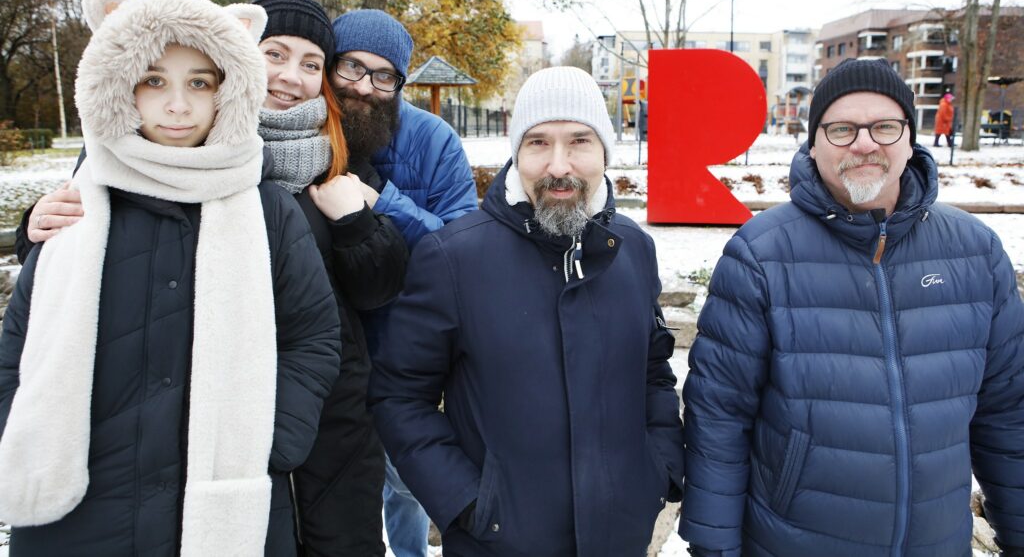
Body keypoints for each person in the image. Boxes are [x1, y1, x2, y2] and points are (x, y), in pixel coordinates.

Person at [0, 0, 341, 555]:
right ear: (119, 84)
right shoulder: (79, 203)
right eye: (154, 80)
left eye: (200, 82)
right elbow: (19, 344)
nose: (178, 105)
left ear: (227, 91)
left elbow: (312, 336)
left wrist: (269, 440)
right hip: (79, 513)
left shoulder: (265, 209)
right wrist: (27, 432)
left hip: (226, 507)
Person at [680, 58, 1024, 557]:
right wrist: (714, 548)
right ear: (814, 143)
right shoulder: (761, 254)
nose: (865, 143)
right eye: (842, 129)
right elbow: (719, 418)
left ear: (910, 137)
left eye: (884, 126)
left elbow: (1007, 414)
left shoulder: (976, 251)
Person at [368, 66, 685, 556]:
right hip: (495, 542)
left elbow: (654, 373)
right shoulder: (453, 257)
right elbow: (399, 397)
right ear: (516, 153)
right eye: (538, 143)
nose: (559, 165)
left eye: (579, 141)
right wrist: (467, 502)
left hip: (619, 536)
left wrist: (658, 470)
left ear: (605, 150)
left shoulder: (634, 249)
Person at [251, 0, 409, 557]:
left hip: (337, 426)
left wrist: (356, 224)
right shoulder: (189, 150)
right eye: (274, 54)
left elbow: (380, 287)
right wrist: (40, 220)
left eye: (310, 62)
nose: (291, 77)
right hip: (229, 420)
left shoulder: (341, 160)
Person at [329, 8, 478, 557]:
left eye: (383, 75)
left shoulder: (434, 140)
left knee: (406, 478)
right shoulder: (294, 127)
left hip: (402, 344)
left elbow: (465, 248)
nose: (364, 87)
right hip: (325, 345)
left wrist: (381, 201)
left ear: (400, 83)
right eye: (351, 67)